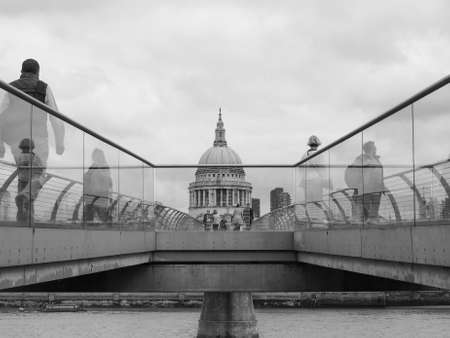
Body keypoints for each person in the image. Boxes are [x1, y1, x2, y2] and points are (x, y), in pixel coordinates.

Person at [0, 59, 65, 165]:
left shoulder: (10, 88)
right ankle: (36, 181)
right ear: (38, 73)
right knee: (38, 175)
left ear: (21, 72)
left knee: (23, 174)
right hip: (39, 139)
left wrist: (0, 143)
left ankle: (24, 181)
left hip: (18, 142)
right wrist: (59, 143)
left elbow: (0, 116)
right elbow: (55, 117)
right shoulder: (44, 88)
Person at [345, 141, 385, 223]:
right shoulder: (361, 158)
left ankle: (373, 223)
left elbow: (379, 174)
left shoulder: (376, 159)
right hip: (366, 188)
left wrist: (382, 186)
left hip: (377, 188)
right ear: (370, 148)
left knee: (374, 212)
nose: (376, 148)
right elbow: (354, 169)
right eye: (374, 147)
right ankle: (364, 225)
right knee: (364, 211)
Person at [15, 138, 44, 223]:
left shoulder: (35, 157)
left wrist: (30, 166)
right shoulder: (21, 156)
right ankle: (23, 220)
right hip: (23, 181)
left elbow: (40, 170)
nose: (25, 150)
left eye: (27, 148)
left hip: (28, 182)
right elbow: (19, 167)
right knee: (24, 202)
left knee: (26, 202)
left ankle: (27, 221)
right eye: (24, 148)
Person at [83, 149, 113, 223]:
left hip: (101, 197)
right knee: (88, 221)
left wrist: (98, 168)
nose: (94, 158)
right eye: (94, 156)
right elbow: (87, 178)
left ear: (101, 156)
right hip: (91, 197)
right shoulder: (93, 166)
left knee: (103, 220)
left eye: (96, 156)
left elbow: (107, 179)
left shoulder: (105, 166)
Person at [299, 135, 329, 203]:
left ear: (309, 145)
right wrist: (326, 179)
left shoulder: (304, 155)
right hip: (316, 181)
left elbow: (300, 169)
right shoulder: (319, 154)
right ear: (318, 144)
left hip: (306, 182)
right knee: (318, 202)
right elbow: (322, 169)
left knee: (309, 204)